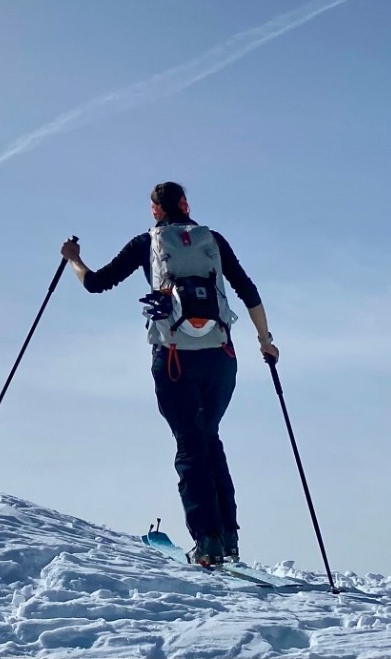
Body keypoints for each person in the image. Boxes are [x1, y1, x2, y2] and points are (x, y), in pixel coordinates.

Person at [60, 181, 278, 568]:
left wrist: (73, 258)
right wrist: (266, 341)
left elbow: (96, 284)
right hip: (221, 356)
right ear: (185, 204)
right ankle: (228, 537)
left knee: (190, 445)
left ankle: (207, 542)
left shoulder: (146, 243)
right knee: (209, 437)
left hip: (174, 358)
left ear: (155, 211)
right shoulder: (213, 240)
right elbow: (248, 290)